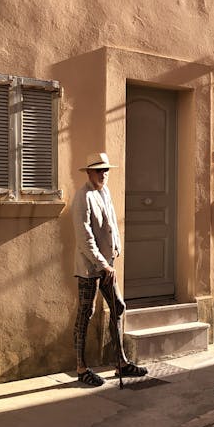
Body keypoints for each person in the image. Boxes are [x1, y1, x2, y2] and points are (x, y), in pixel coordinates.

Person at [72, 152, 148, 385]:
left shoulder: (105, 192)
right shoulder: (82, 197)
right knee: (86, 313)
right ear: (89, 173)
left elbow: (112, 224)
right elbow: (84, 237)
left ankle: (121, 363)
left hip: (107, 266)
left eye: (106, 170)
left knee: (118, 307)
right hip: (90, 267)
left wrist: (116, 248)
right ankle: (81, 368)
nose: (103, 174)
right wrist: (102, 264)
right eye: (98, 170)